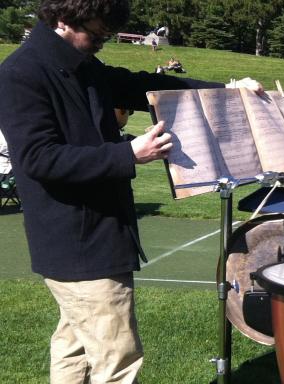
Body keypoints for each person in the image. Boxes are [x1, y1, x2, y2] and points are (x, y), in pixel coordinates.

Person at [0, 1, 264, 382]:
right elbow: (39, 159)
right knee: (118, 361)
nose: (102, 41)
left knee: (74, 346)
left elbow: (143, 86)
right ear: (63, 19)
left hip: (100, 232)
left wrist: (226, 92)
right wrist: (129, 154)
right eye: (96, 33)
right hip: (76, 240)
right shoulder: (21, 73)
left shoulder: (81, 63)